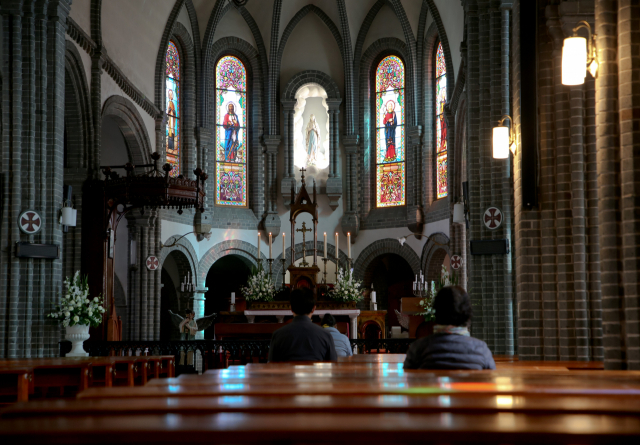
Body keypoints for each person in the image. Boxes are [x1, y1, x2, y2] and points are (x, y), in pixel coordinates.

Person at [404, 286, 496, 370]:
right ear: (467, 313)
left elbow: (408, 381)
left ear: (436, 312)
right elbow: (491, 381)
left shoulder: (418, 348)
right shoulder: (481, 350)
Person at [268, 288, 337, 362]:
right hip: (315, 373)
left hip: (288, 373)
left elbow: (271, 364)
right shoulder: (325, 335)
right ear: (313, 309)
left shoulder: (278, 335)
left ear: (291, 308)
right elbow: (333, 364)